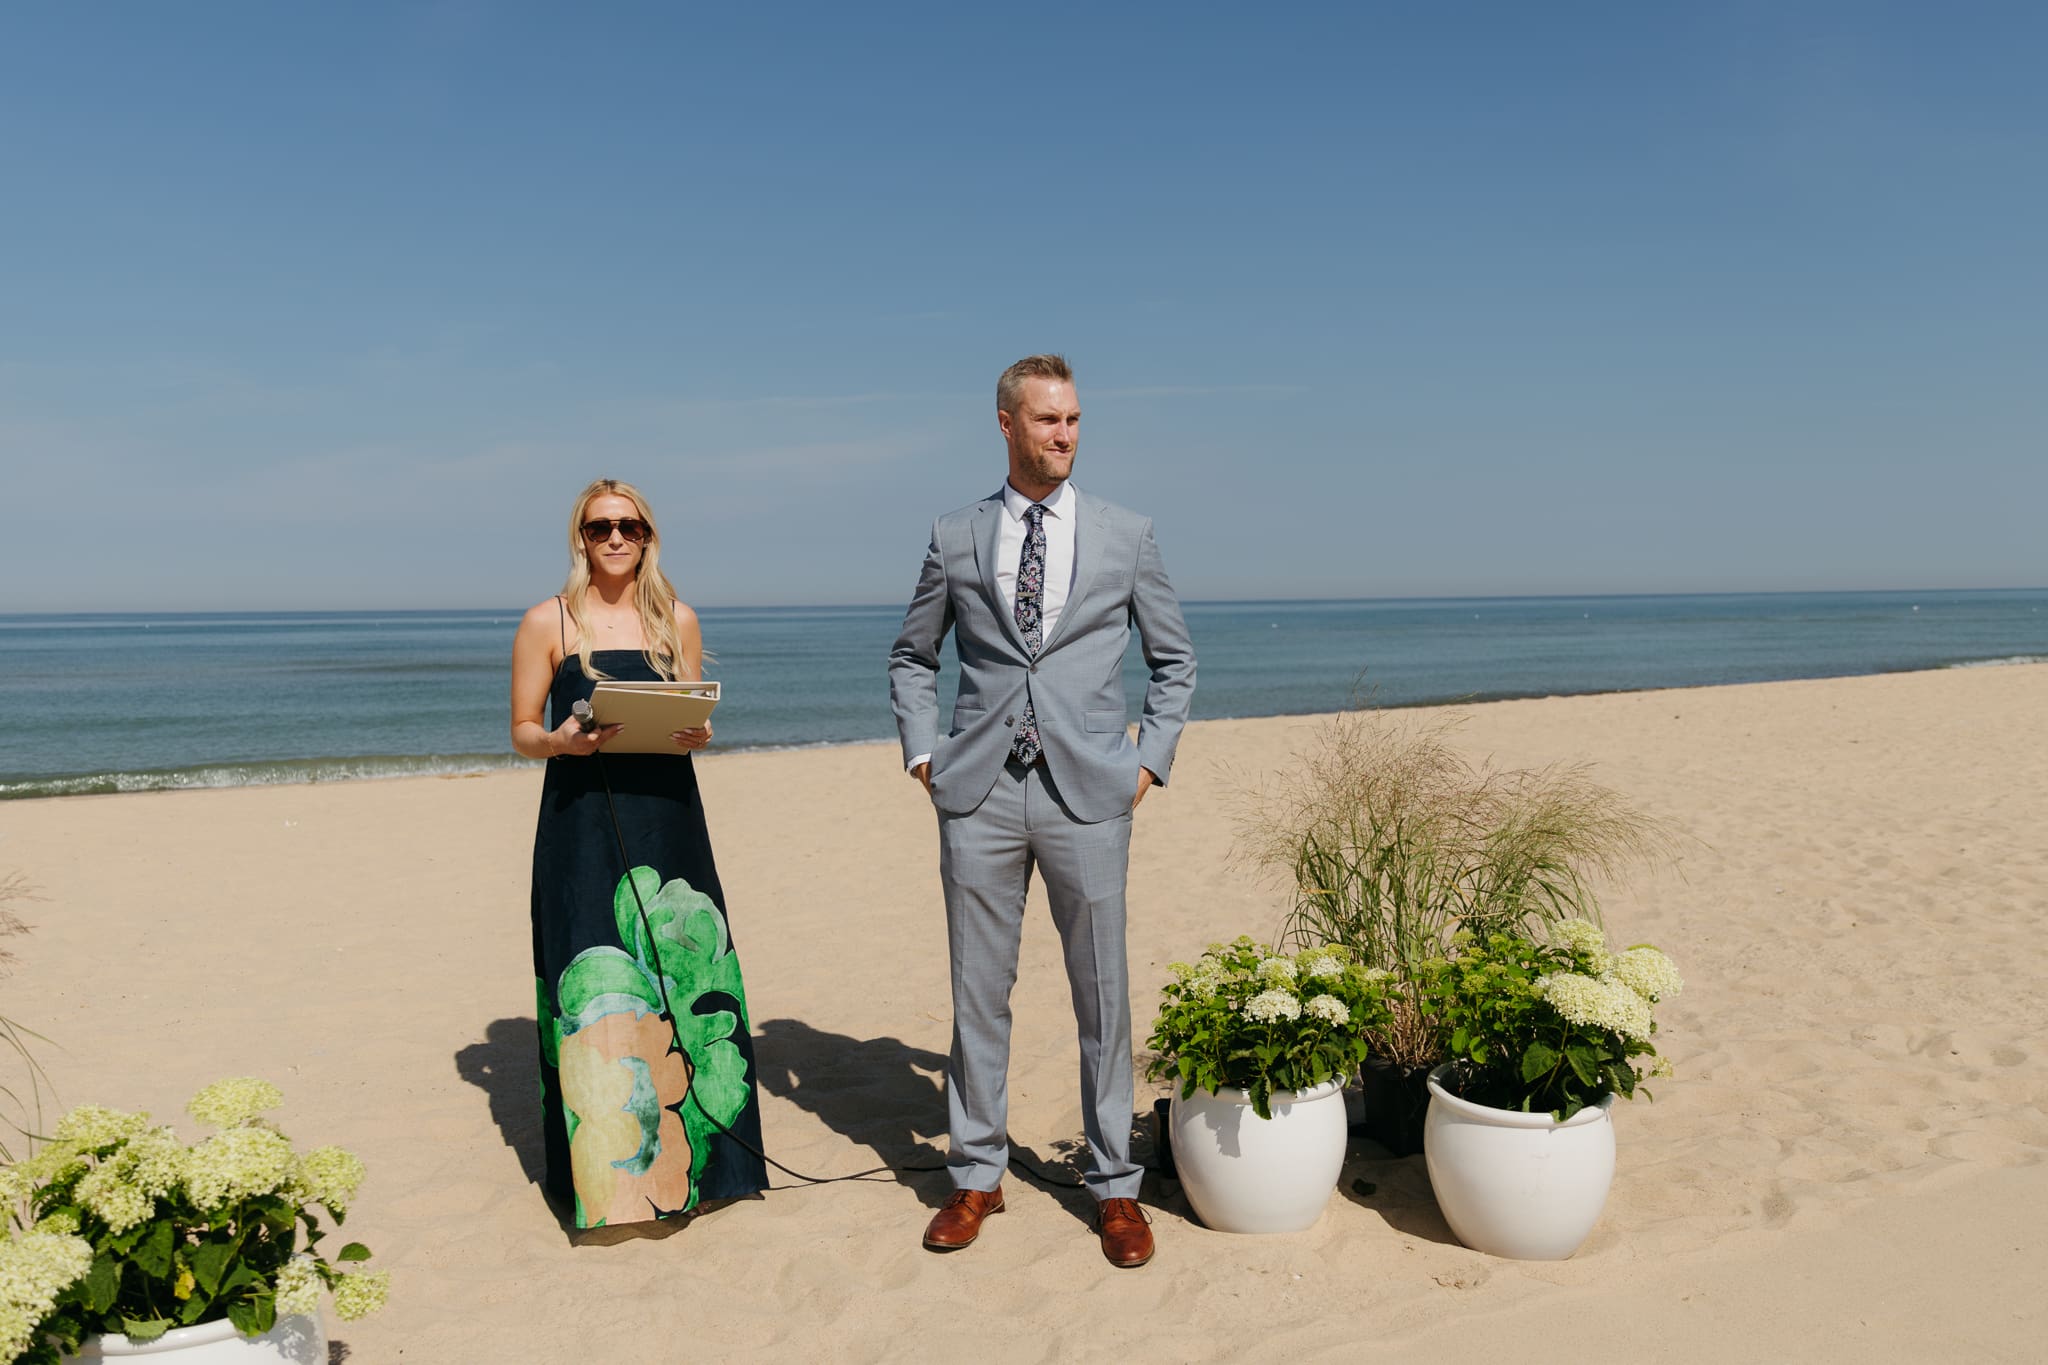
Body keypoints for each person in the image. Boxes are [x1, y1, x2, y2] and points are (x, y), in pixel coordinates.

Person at [887, 354, 1196, 1268]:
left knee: (1103, 995)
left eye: (1073, 420)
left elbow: (1174, 660)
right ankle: (976, 1173)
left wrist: (1150, 762)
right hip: (977, 793)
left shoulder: (1126, 533)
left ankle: (1114, 1187)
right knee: (978, 994)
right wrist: (921, 751)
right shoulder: (955, 534)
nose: (1064, 434)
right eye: (1048, 420)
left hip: (1090, 794)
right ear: (1006, 424)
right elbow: (912, 656)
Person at [510, 478, 768, 1229]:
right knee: (591, 970)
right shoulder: (546, 622)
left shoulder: (674, 618)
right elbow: (523, 728)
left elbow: (692, 710)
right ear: (579, 539)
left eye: (628, 526)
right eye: (599, 528)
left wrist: (699, 732)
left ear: (649, 537)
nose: (615, 538)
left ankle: (712, 1167)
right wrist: (559, 740)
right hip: (581, 817)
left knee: (685, 967)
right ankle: (612, 1184)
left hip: (668, 815)